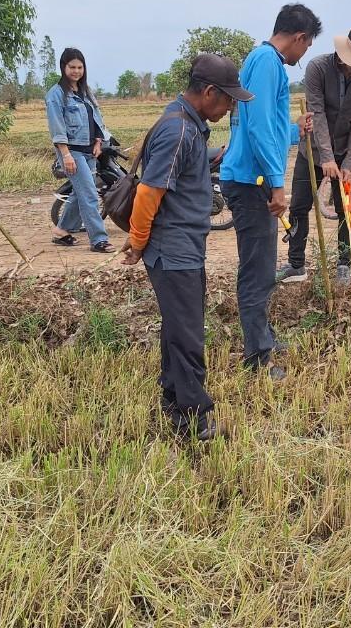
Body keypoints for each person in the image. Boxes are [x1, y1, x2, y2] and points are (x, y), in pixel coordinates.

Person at [120, 53, 254, 440]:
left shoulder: (187, 124)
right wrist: (137, 241)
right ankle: (194, 417)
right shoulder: (179, 130)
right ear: (209, 92)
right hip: (172, 248)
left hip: (184, 246)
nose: (230, 106)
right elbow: (148, 193)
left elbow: (176, 172)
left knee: (179, 328)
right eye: (228, 98)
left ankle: (173, 399)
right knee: (188, 334)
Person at [219, 3, 320, 378]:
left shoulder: (269, 63)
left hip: (255, 178)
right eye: (306, 46)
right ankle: (258, 358)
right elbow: (258, 128)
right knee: (257, 270)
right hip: (252, 183)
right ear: (299, 38)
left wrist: (295, 130)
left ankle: (264, 338)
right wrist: (278, 185)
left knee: (260, 267)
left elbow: (270, 129)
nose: (304, 53)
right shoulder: (265, 61)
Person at [276, 27, 351, 286]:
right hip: (311, 151)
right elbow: (317, 113)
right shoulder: (318, 68)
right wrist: (326, 157)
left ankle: (345, 264)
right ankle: (296, 264)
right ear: (343, 54)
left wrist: (348, 163)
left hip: (345, 153)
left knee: (346, 210)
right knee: (300, 207)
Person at [45, 48, 116, 253]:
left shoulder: (85, 91)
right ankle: (99, 240)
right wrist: (65, 155)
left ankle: (61, 231)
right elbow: (57, 127)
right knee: (90, 194)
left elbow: (96, 117)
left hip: (89, 150)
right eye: (72, 67)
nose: (76, 71)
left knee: (80, 192)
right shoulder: (56, 95)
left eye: (80, 67)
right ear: (63, 68)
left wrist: (98, 141)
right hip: (72, 151)